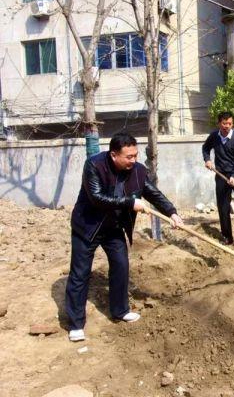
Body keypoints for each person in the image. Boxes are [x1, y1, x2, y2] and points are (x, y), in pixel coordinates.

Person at [66, 133, 184, 342]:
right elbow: (97, 198)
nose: (133, 160)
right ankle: (76, 323)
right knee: (80, 273)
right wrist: (130, 203)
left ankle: (120, 310)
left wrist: (172, 212)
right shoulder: (94, 165)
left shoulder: (137, 171)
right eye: (128, 157)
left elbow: (152, 192)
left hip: (113, 227)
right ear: (113, 155)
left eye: (135, 155)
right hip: (88, 227)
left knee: (121, 265)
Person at [202, 111, 234, 245]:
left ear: (232, 124)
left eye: (229, 123)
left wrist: (233, 176)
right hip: (221, 175)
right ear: (219, 123)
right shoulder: (214, 136)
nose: (227, 126)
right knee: (223, 206)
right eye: (224, 123)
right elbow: (205, 148)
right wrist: (207, 160)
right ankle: (227, 236)